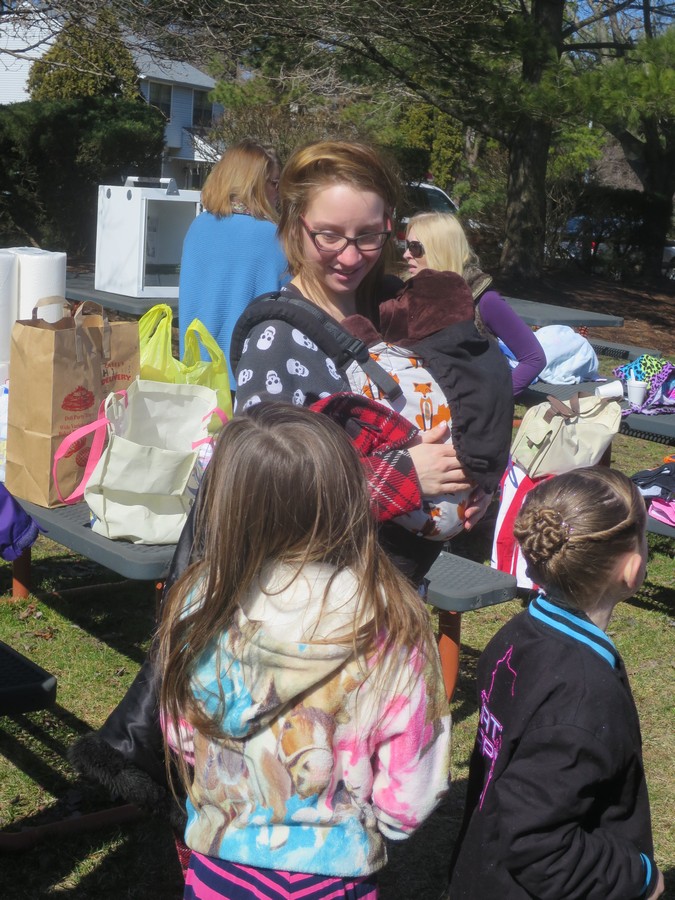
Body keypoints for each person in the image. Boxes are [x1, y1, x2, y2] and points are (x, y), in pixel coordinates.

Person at [157, 402, 451, 899]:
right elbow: (411, 790)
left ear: (225, 503)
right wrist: (386, 823)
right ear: (349, 497)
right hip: (335, 873)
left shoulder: (198, 599)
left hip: (219, 867)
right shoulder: (393, 621)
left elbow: (182, 735)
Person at [233, 140, 497, 584]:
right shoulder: (276, 340)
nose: (351, 256)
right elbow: (261, 489)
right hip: (316, 595)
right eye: (329, 235)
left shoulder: (399, 307)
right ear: (294, 226)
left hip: (395, 589)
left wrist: (477, 477)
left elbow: (469, 384)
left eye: (369, 235)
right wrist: (405, 476)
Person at [449, 467, 665, 900]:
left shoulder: (516, 636)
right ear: (632, 567)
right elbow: (540, 846)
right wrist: (639, 876)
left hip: (482, 869)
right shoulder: (583, 696)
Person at [178, 139, 288, 382]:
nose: (278, 192)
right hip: (250, 376)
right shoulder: (273, 236)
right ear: (255, 184)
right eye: (274, 183)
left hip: (197, 373)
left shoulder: (198, 227)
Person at [403, 212, 546, 395]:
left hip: (464, 407)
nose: (406, 254)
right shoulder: (407, 294)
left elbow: (534, 358)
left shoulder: (483, 300)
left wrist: (494, 400)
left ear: (439, 249)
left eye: (414, 247)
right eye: (406, 246)